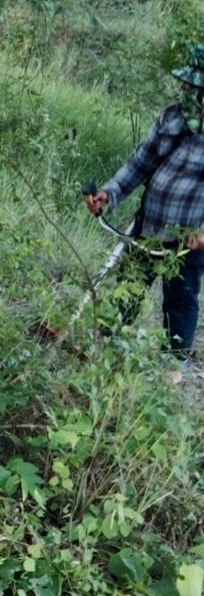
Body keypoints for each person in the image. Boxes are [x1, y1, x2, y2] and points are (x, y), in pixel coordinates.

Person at [86, 44, 204, 377]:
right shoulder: (172, 116)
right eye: (187, 84)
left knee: (180, 300)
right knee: (128, 287)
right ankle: (105, 348)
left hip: (188, 239)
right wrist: (110, 193)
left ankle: (172, 368)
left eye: (195, 87)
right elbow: (141, 161)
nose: (187, 91)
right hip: (149, 224)